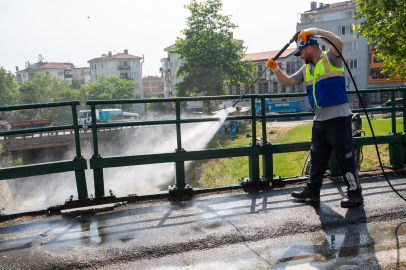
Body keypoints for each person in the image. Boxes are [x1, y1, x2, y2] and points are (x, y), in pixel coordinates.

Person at [266, 28, 362, 208]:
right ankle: (313, 191)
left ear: (309, 48)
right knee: (317, 158)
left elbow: (338, 42)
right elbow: (287, 82)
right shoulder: (306, 70)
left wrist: (314, 31)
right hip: (319, 121)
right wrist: (275, 69)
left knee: (344, 158)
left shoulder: (331, 58)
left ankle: (355, 193)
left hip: (338, 118)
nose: (300, 56)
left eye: (301, 52)